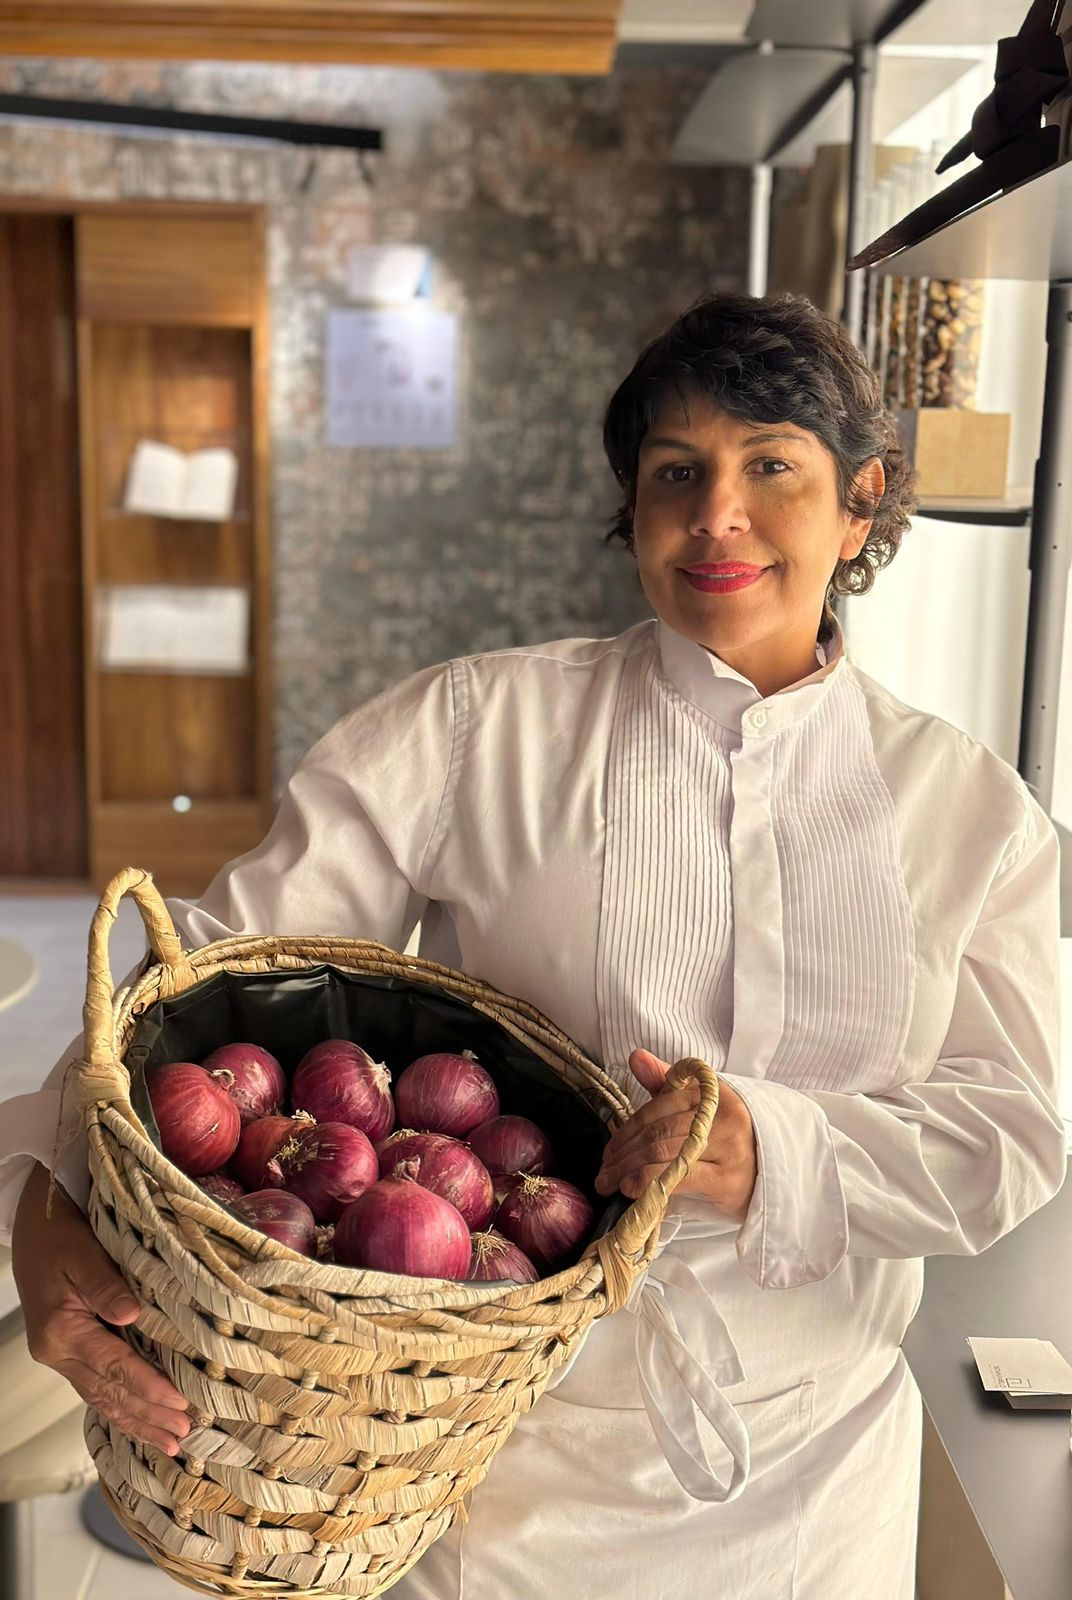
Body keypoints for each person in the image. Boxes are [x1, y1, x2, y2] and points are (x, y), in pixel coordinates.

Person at [3, 292, 1065, 1600]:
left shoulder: (974, 816)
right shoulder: (474, 732)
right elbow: (195, 985)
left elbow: (1013, 1133)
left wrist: (770, 1147)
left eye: (770, 466)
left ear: (863, 502)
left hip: (816, 1484)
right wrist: (45, 1210)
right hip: (498, 1469)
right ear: (632, 515)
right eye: (676, 473)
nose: (716, 513)